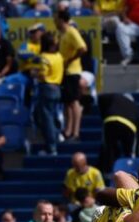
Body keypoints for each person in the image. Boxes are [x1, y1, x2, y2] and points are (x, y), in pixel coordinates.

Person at [56, 10, 87, 142]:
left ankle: (76, 131)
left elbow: (83, 48)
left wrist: (70, 60)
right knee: (67, 103)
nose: (54, 21)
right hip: (65, 72)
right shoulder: (62, 34)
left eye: (55, 19)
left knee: (74, 102)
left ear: (62, 19)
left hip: (72, 71)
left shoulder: (72, 32)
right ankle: (68, 130)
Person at [35, 32, 64, 156]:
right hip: (57, 87)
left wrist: (36, 73)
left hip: (47, 87)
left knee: (47, 119)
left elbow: (43, 74)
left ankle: (51, 147)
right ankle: (57, 134)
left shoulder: (44, 57)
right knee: (48, 116)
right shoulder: (59, 55)